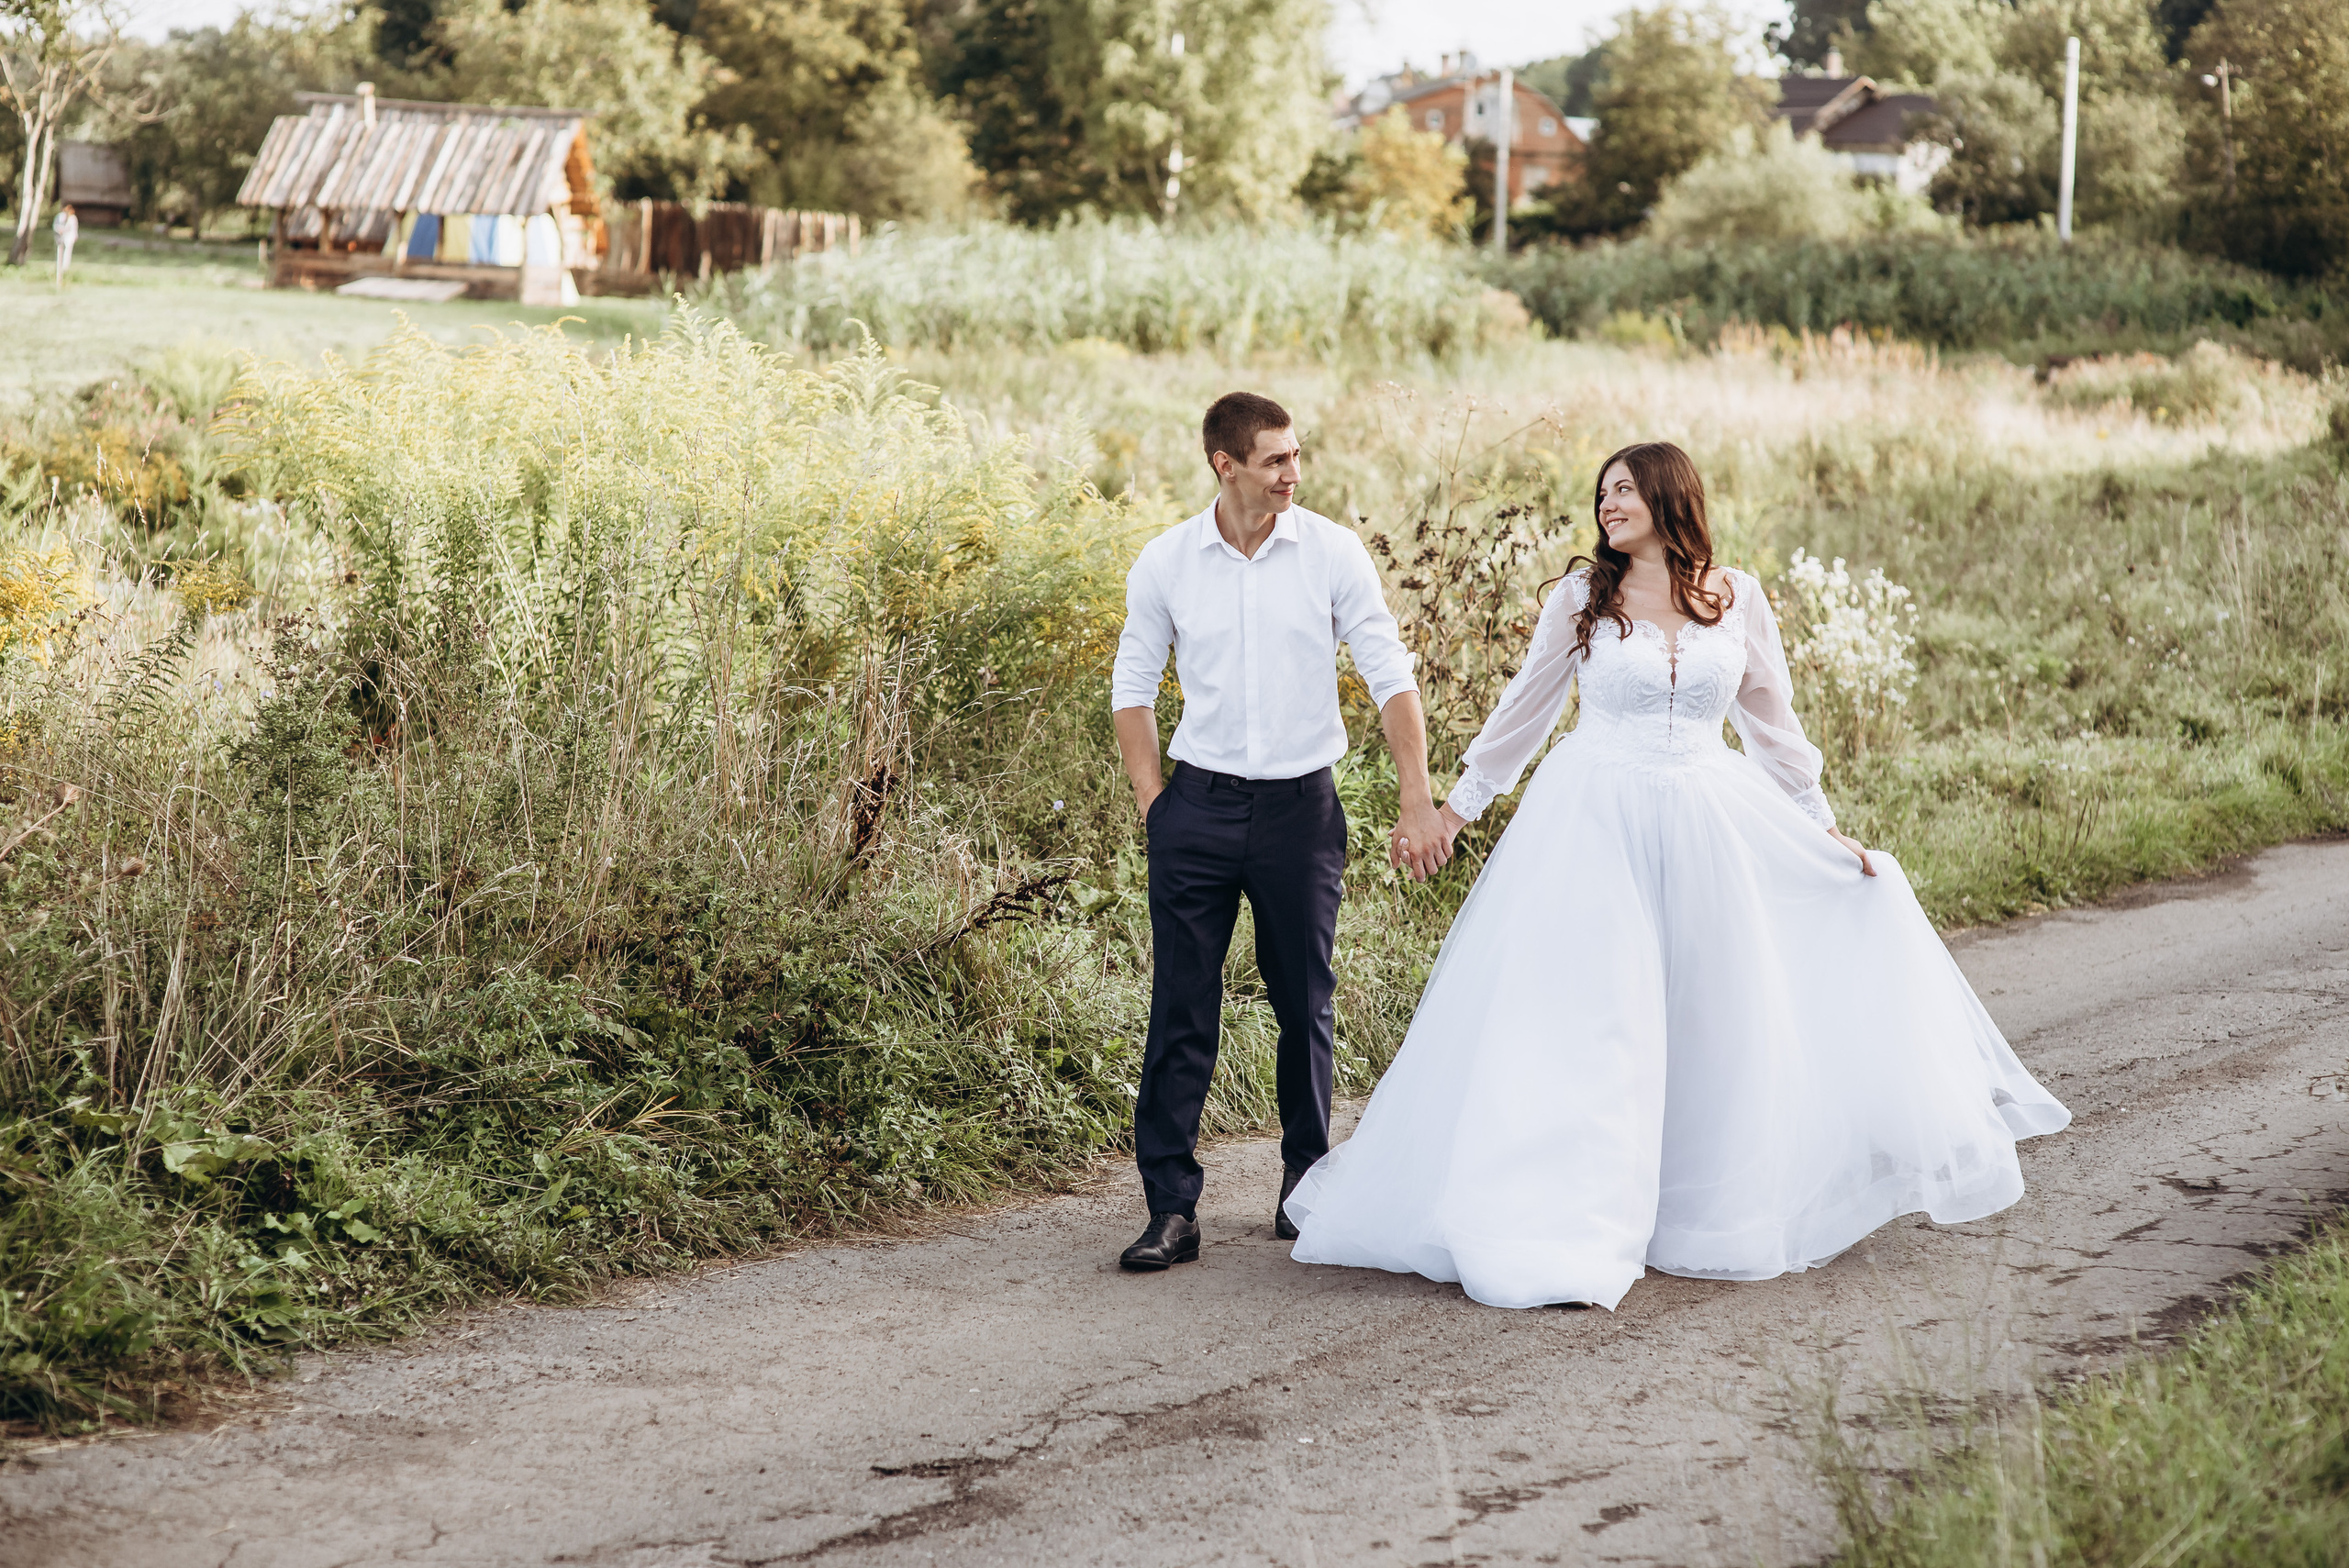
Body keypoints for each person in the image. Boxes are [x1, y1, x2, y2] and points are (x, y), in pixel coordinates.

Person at [1282, 440, 2070, 1310]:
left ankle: (1690, 1205)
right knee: (1596, 1017)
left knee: (1710, 1010)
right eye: (1603, 492)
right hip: (1593, 821)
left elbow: (1774, 728)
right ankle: (1574, 1208)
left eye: (1625, 489)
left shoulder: (1736, 597)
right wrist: (1451, 811)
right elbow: (1525, 712)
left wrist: (1824, 830)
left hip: (1707, 818)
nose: (1608, 503)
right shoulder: (1584, 597)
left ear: (1668, 496)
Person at [1109, 392, 1448, 1272]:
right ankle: (1172, 1210)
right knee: (1182, 1003)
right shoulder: (1169, 561)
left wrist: (1418, 796)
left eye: (1296, 456)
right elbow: (1132, 687)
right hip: (1200, 807)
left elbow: (1389, 674)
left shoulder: (1332, 553)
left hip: (1302, 809)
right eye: (1274, 460)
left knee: (1305, 1000)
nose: (1292, 472)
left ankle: (1306, 1192)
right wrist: (1156, 804)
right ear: (1226, 466)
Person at [51, 204, 78, 288]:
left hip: (68, 239)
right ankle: (59, 268)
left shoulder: (72, 219)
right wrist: (60, 230)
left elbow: (73, 229)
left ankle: (65, 267)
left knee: (67, 253)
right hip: (60, 238)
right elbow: (55, 226)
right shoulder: (59, 217)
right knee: (60, 253)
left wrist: (73, 236)